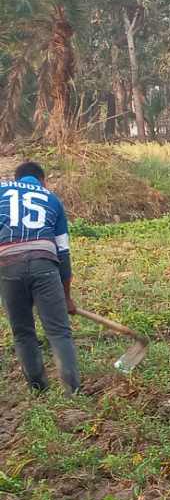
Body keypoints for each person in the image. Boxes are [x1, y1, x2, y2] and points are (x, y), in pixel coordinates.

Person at [0, 161, 80, 394]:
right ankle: (72, 392)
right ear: (42, 180)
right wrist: (66, 297)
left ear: (17, 179)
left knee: (23, 332)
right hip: (44, 263)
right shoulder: (52, 199)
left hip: (7, 265)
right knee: (58, 331)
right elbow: (63, 253)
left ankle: (38, 390)